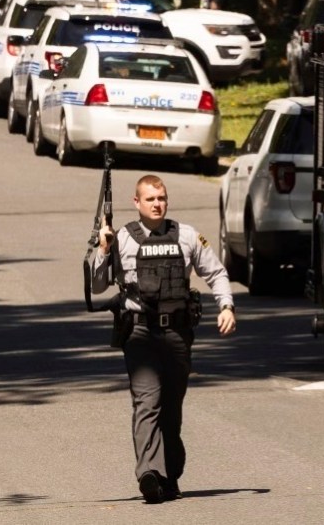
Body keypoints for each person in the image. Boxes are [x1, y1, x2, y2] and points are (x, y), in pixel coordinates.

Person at [91, 175, 236, 504]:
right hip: (139, 332)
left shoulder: (185, 236)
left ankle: (169, 473)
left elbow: (216, 273)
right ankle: (148, 474)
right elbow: (98, 287)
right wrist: (103, 247)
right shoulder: (122, 238)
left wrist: (226, 305)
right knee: (147, 402)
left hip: (177, 334)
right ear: (137, 202)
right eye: (151, 198)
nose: (157, 203)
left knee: (171, 407)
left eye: (162, 198)